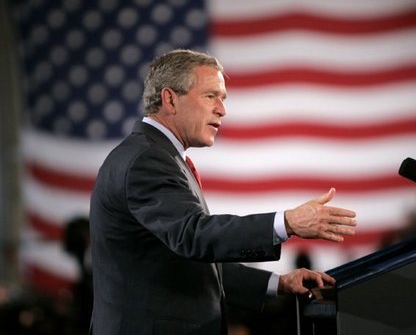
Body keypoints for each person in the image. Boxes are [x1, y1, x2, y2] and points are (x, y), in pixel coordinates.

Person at [88, 49, 357, 335]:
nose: (222, 109)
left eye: (223, 99)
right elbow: (194, 235)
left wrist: (278, 283)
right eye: (210, 96)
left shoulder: (159, 156)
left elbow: (187, 261)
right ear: (170, 99)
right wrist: (287, 222)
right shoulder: (147, 160)